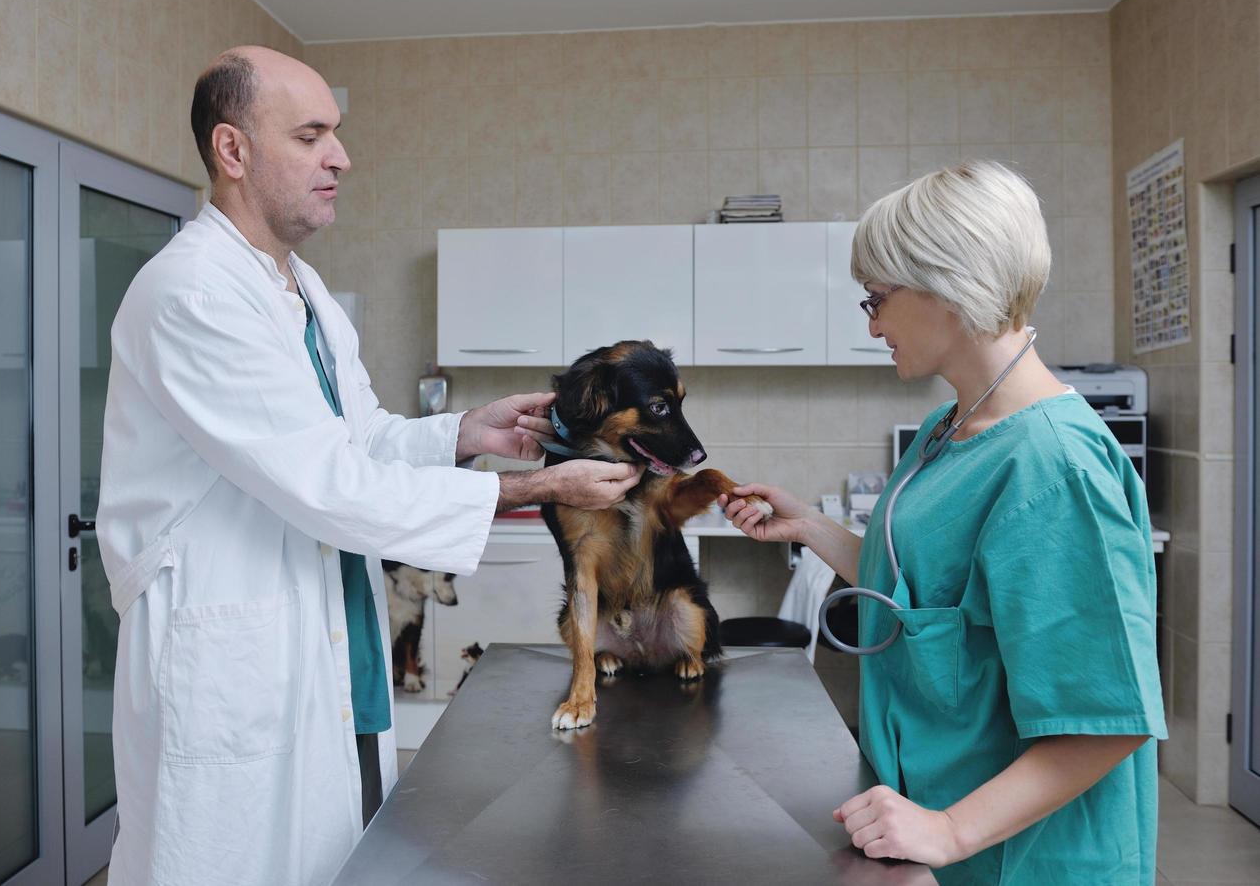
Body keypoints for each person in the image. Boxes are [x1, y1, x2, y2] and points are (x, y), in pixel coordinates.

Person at [97, 46, 642, 886]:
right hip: (232, 649)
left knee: (333, 851)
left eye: (336, 135)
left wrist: (467, 432)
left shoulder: (300, 289)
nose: (340, 157)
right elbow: (329, 483)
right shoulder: (194, 293)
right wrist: (535, 489)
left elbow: (355, 437)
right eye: (311, 136)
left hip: (318, 633)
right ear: (232, 151)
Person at [722, 160, 1166, 884]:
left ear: (946, 287)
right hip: (926, 824)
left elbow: (1105, 720)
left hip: (1021, 854)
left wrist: (951, 829)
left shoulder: (1053, 468)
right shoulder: (947, 429)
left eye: (876, 300)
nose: (870, 325)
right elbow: (920, 592)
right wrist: (808, 528)